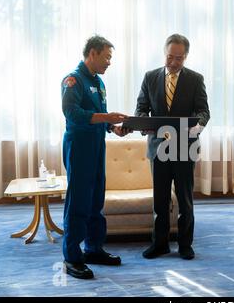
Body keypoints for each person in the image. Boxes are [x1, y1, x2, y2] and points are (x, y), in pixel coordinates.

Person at [135, 34, 210, 260]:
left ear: (186, 57)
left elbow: (203, 111)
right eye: (170, 57)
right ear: (164, 53)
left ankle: (185, 245)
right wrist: (143, 124)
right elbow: (141, 109)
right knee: (160, 200)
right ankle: (160, 244)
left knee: (185, 200)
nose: (174, 62)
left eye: (179, 58)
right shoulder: (150, 77)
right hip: (158, 147)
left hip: (185, 146)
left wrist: (199, 126)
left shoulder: (196, 79)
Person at [61, 35, 131, 279]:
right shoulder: (73, 80)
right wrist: (107, 118)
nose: (109, 62)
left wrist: (114, 127)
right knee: (78, 201)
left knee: (95, 201)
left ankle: (93, 248)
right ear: (92, 53)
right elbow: (72, 113)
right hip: (79, 147)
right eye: (107, 57)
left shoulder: (99, 82)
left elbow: (100, 116)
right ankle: (72, 257)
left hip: (96, 146)